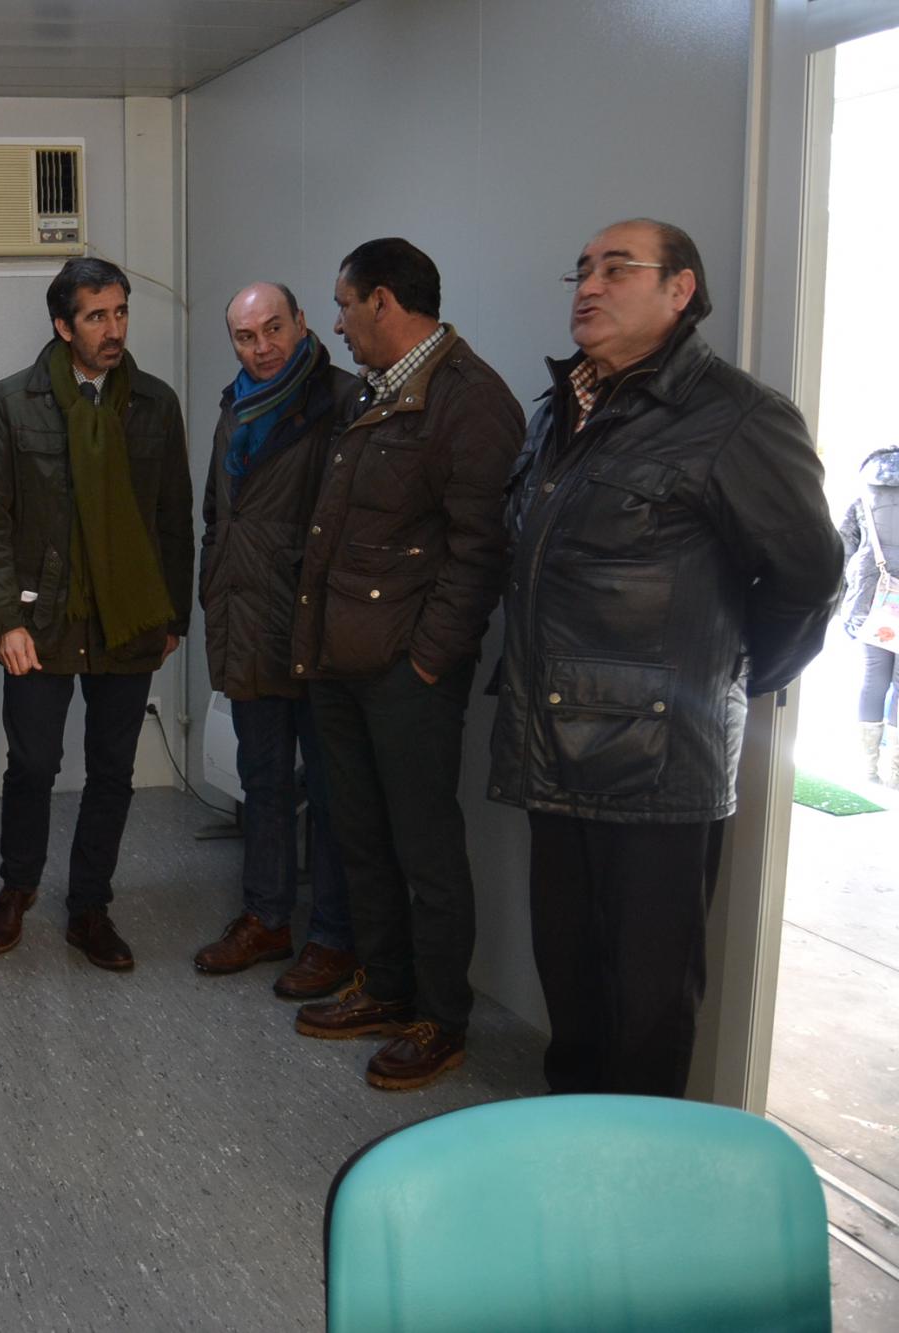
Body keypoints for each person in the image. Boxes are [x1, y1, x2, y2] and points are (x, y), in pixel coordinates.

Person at [488, 218, 842, 1098]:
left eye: (617, 269)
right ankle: (573, 1139)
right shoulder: (562, 408)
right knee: (569, 978)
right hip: (550, 742)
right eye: (581, 270)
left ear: (680, 290)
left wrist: (735, 675)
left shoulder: (737, 417)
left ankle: (643, 1172)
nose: (588, 286)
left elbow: (810, 576)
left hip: (658, 761)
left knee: (647, 1001)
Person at [287, 238, 523, 1091]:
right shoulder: (374, 390)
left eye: (345, 305)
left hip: (406, 675)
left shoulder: (472, 400)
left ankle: (440, 1019)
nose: (338, 324)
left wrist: (427, 662)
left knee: (426, 851)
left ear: (383, 301)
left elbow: (480, 552)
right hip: (344, 663)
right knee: (361, 836)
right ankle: (385, 987)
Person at [0, 257, 193, 971]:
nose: (114, 329)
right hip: (42, 618)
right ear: (64, 326)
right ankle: (18, 886)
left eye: (121, 312)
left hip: (130, 616)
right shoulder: (13, 401)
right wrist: (5, 620)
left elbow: (174, 518)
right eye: (97, 316)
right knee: (33, 763)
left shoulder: (155, 403)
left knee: (113, 769)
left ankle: (90, 905)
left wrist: (174, 616)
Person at [192, 283, 358, 999]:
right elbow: (217, 515)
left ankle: (333, 936)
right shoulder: (235, 405)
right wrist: (213, 587)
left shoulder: (343, 401)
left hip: (317, 631)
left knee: (330, 790)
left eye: (273, 329)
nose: (261, 347)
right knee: (260, 781)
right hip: (247, 622)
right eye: (245, 336)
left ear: (301, 324)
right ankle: (265, 918)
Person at [839, 444, 899, 783]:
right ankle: (895, 769)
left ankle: (868, 765)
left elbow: (843, 548)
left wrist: (840, 600)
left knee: (873, 676)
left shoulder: (863, 496)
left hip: (871, 598)